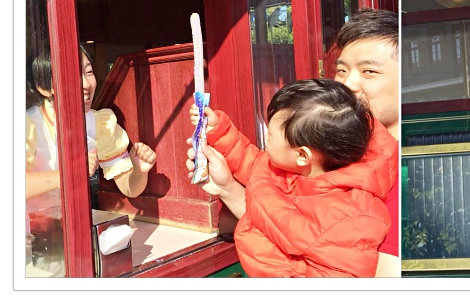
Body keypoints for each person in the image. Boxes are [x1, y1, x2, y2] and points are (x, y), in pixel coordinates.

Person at [187, 78, 397, 277]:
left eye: (270, 135)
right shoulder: (291, 168)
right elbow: (253, 164)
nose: (265, 138)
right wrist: (218, 132)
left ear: (302, 155)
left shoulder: (350, 219)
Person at [26, 46, 156, 243]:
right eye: (71, 74)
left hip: (73, 232)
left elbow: (130, 189)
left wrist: (139, 170)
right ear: (44, 87)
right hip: (28, 236)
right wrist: (72, 172)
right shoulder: (28, 124)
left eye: (88, 72)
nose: (86, 84)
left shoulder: (99, 123)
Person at [334, 8, 400, 276]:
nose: (348, 84)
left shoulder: (406, 169)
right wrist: (227, 187)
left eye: (369, 71)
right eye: (341, 70)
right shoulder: (339, 150)